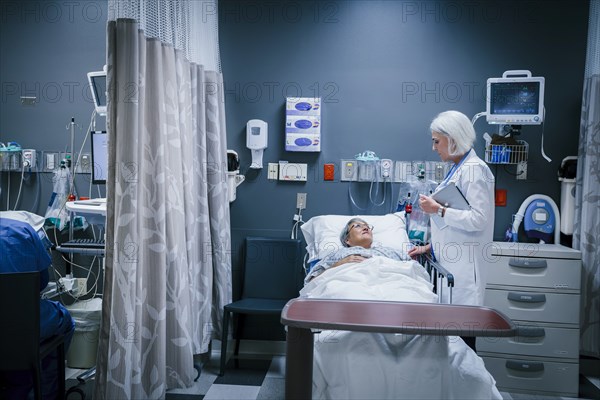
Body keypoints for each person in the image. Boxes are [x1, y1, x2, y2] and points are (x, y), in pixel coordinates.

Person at [408, 110, 495, 349]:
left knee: (464, 344)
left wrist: (437, 209)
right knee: (453, 343)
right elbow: (455, 226)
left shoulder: (474, 170)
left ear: (453, 139)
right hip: (451, 266)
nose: (434, 147)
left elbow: (478, 219)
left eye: (437, 141)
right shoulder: (457, 168)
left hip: (466, 272)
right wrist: (429, 247)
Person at [0, 217, 75, 400]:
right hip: (19, 323)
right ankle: (42, 391)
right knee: (63, 320)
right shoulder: (21, 230)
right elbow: (40, 283)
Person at [305, 217, 411, 283]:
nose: (366, 228)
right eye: (358, 226)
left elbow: (414, 270)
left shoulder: (391, 252)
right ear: (347, 240)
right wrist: (338, 264)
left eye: (367, 226)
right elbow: (312, 281)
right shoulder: (338, 255)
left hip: (391, 284)